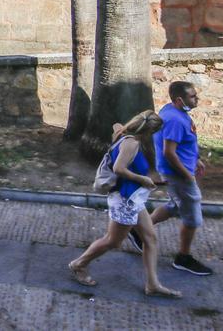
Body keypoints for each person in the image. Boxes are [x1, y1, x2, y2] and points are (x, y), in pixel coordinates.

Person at [68, 110, 181, 298]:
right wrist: (143, 179)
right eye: (154, 133)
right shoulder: (132, 143)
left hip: (134, 198)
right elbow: (118, 168)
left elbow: (117, 126)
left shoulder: (124, 134)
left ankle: (152, 284)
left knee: (150, 239)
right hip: (125, 200)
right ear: (148, 132)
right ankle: (78, 264)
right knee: (112, 241)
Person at [127, 81, 214, 276]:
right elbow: (169, 152)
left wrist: (196, 159)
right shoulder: (175, 120)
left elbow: (184, 144)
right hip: (177, 173)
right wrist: (188, 175)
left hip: (179, 170)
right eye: (193, 96)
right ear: (179, 100)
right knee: (192, 214)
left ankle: (137, 230)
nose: (197, 98)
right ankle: (183, 258)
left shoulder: (172, 111)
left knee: (174, 205)